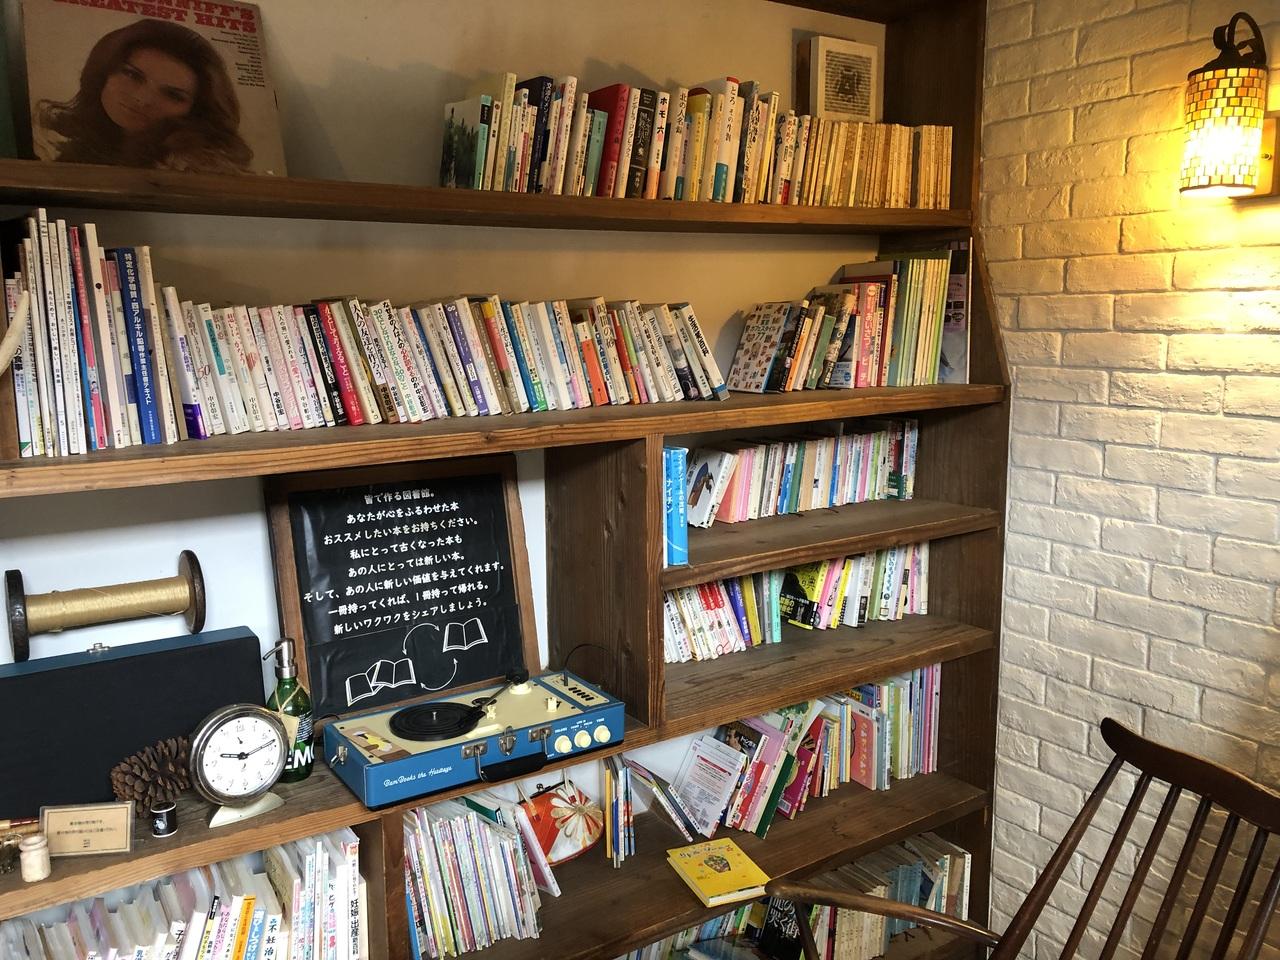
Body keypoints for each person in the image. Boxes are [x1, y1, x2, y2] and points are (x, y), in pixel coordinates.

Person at [35, 18, 253, 173]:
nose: (143, 100)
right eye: (132, 75)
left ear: (196, 110)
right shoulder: (71, 152)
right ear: (103, 72)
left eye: (173, 95)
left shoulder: (193, 168)